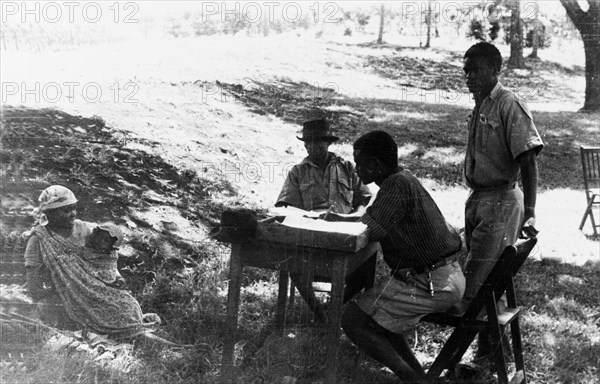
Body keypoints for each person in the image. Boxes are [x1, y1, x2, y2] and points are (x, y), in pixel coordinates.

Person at [323, 131, 465, 383]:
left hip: (433, 282)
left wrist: (332, 220)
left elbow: (369, 227)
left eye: (360, 163)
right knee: (379, 316)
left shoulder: (395, 185)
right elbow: (373, 219)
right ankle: (418, 377)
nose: (356, 169)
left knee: (353, 320)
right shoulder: (403, 178)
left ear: (376, 165)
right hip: (441, 276)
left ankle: (413, 379)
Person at [460, 42, 543, 364]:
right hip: (478, 199)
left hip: (501, 201)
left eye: (476, 71)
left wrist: (532, 213)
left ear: (496, 70)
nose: (470, 77)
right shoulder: (480, 105)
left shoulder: (509, 104)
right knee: (486, 280)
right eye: (466, 71)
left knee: (477, 283)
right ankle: (493, 352)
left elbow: (528, 162)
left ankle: (468, 357)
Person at [24, 185, 173, 346]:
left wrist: (116, 277)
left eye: (74, 208)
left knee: (125, 304)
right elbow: (34, 285)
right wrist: (64, 294)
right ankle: (148, 340)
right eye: (65, 210)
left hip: (96, 290)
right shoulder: (38, 239)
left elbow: (104, 258)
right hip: (66, 299)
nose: (72, 213)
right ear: (50, 213)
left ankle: (143, 335)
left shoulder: (82, 229)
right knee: (93, 316)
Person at [275, 118, 372, 322]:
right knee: (296, 269)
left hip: (346, 234)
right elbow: (286, 206)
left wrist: (354, 216)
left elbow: (362, 198)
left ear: (328, 143)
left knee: (363, 272)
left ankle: (332, 307)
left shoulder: (347, 167)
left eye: (318, 142)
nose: (312, 147)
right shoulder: (297, 172)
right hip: (313, 238)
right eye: (308, 143)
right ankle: (321, 316)